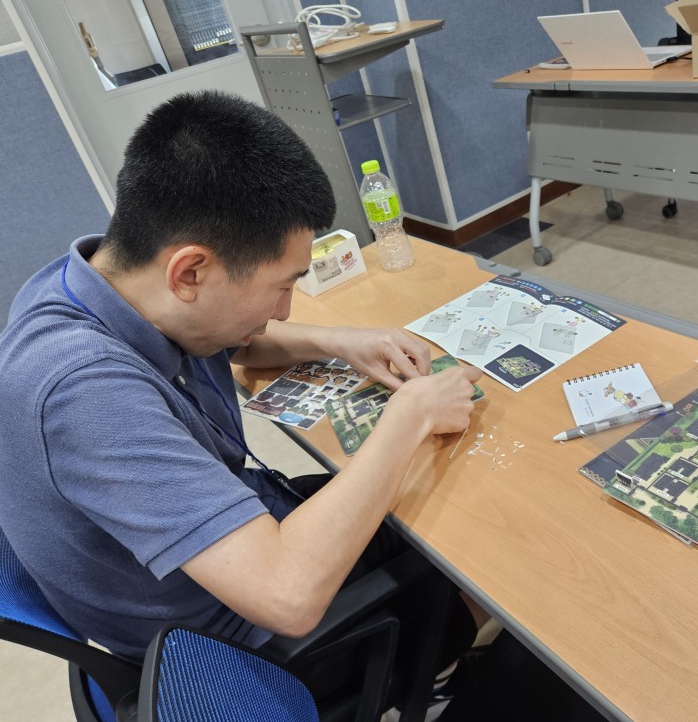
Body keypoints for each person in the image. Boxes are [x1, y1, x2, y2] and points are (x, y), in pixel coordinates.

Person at [0, 89, 482, 686]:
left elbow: (236, 343)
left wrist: (340, 341)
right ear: (190, 272)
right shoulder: (82, 393)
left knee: (425, 501)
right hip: (228, 648)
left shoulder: (92, 281)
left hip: (235, 542)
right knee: (477, 556)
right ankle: (448, 673)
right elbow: (288, 596)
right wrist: (411, 414)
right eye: (281, 286)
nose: (284, 311)